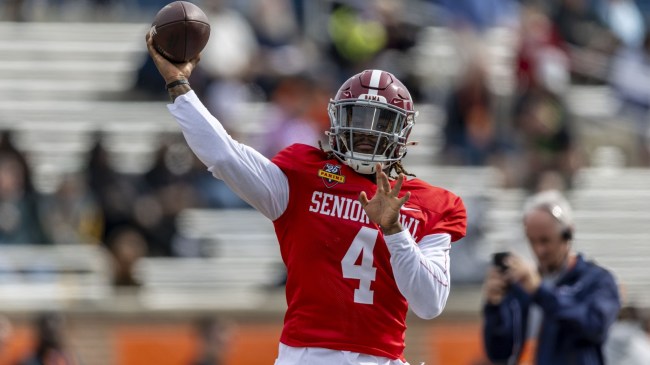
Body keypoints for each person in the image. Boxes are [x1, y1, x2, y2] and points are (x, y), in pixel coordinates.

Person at [145, 31, 467, 364]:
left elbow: (430, 304)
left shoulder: (429, 203)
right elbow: (226, 157)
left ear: (402, 131)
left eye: (380, 121)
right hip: (307, 355)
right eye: (358, 117)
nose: (368, 132)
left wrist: (394, 230)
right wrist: (180, 87)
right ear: (338, 119)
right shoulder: (304, 176)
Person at [482, 189, 621, 365]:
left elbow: (594, 326)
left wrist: (540, 292)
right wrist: (495, 307)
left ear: (567, 235)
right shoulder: (523, 285)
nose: (539, 250)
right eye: (532, 241)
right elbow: (499, 353)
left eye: (545, 240)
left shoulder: (597, 280)